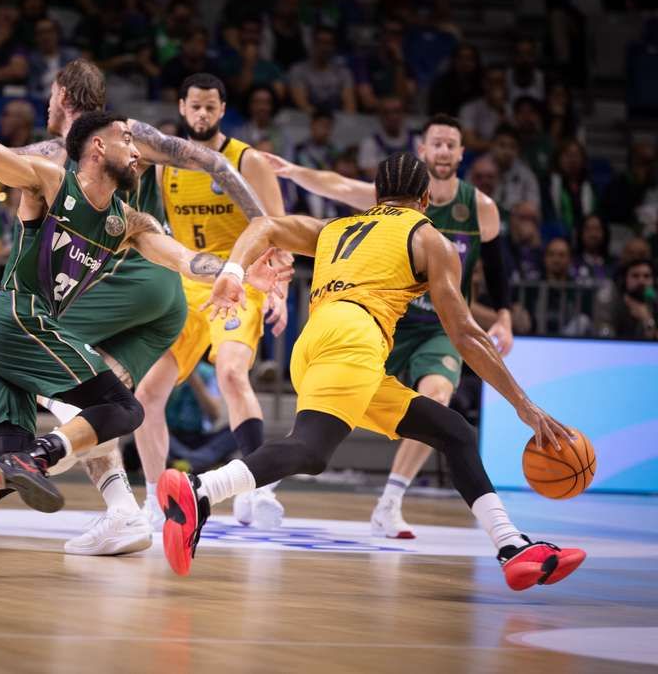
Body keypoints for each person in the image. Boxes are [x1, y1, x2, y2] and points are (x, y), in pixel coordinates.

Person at [0, 60, 286, 578]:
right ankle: (53, 459)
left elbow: (183, 258)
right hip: (15, 319)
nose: (138, 149)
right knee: (122, 408)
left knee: (8, 470)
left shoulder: (127, 221)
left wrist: (234, 273)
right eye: (126, 139)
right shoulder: (50, 180)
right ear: (99, 147)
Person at [155, 151, 586, 592]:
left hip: (315, 343)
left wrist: (233, 270)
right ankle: (200, 490)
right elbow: (467, 335)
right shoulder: (429, 238)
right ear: (424, 200)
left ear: (377, 196)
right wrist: (523, 404)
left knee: (453, 431)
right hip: (354, 340)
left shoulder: (336, 228)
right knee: (310, 449)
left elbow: (263, 226)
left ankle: (511, 547)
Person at [260, 114, 513, 538]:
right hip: (385, 317)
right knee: (327, 401)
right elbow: (336, 186)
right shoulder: (390, 197)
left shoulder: (481, 208)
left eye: (452, 144)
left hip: (437, 326)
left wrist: (503, 314)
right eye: (438, 144)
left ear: (462, 152)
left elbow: (499, 269)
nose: (445, 151)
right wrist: (292, 171)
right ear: (423, 150)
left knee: (437, 396)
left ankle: (390, 501)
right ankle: (264, 484)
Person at [137, 72, 288, 531]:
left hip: (240, 283)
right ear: (182, 107)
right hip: (186, 287)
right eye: (194, 106)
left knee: (230, 373)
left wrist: (277, 287)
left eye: (211, 107)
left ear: (223, 110)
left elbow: (281, 230)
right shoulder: (166, 164)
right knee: (146, 394)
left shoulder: (248, 161)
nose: (202, 114)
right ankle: (151, 499)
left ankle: (259, 487)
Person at [357, 96, 418, 180]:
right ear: (379, 116)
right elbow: (371, 175)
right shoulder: (369, 144)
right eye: (386, 112)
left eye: (396, 111)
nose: (392, 117)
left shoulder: (418, 141)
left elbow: (425, 174)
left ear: (404, 114)